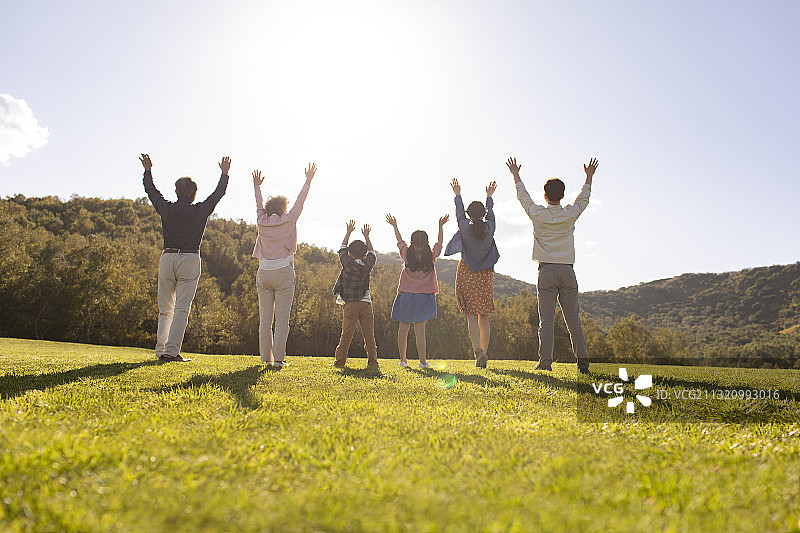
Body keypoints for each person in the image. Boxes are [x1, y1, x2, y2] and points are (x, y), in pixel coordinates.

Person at [507, 156, 598, 374]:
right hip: (567, 271)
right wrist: (589, 177)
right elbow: (583, 200)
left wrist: (516, 175)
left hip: (546, 271)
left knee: (545, 320)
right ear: (563, 195)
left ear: (545, 196)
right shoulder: (569, 215)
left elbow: (524, 198)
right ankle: (582, 362)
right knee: (573, 319)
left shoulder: (538, 215)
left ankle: (545, 362)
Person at [140, 153, 230, 362]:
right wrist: (224, 174)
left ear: (176, 192)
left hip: (168, 258)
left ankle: (161, 350)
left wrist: (148, 170)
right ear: (193, 195)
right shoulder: (200, 210)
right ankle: (171, 352)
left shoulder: (167, 209)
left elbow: (151, 191)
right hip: (189, 259)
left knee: (165, 309)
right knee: (181, 308)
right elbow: (218, 194)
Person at [251, 164, 317, 368]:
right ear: (282, 209)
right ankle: (278, 360)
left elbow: (258, 204)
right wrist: (308, 180)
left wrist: (257, 187)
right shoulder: (289, 219)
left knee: (265, 320)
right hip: (283, 273)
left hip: (264, 273)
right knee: (282, 319)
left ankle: (265, 359)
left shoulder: (261, 220)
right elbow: (300, 201)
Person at [444, 179, 499, 368]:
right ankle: (484, 352)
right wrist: (489, 197)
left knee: (470, 314)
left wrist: (458, 194)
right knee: (484, 315)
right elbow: (490, 215)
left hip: (467, 272)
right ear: (483, 214)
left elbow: (459, 214)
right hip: (485, 273)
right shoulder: (490, 228)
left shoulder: (465, 228)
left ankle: (478, 352)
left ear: (468, 215)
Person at [385, 213, 449, 369]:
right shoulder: (431, 256)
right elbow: (439, 243)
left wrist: (395, 225)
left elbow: (400, 241)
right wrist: (440, 226)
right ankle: (422, 362)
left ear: (412, 243)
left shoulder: (407, 255)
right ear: (426, 243)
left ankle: (403, 361)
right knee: (420, 331)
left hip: (406, 295)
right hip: (424, 297)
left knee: (403, 328)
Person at [332, 221, 379, 368]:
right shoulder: (367, 265)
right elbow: (372, 253)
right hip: (366, 303)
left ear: (350, 254)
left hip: (350, 304)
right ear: (364, 255)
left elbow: (342, 249)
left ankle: (340, 362)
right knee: (369, 336)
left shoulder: (347, 262)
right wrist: (367, 236)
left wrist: (348, 232)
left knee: (346, 334)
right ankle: (373, 362)